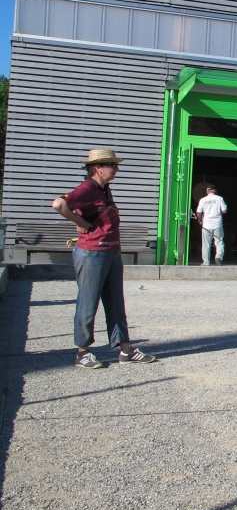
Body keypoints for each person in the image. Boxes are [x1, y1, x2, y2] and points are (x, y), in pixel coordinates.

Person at [51, 149, 155, 369]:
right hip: (92, 253)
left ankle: (125, 349)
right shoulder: (87, 188)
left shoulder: (105, 189)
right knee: (88, 302)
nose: (117, 169)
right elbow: (59, 204)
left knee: (116, 301)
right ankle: (82, 352)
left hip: (111, 252)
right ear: (98, 168)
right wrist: (79, 221)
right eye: (113, 165)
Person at [196, 185, 228, 266]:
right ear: (215, 191)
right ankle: (219, 257)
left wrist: (200, 220)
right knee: (219, 242)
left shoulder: (203, 200)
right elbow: (224, 211)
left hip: (206, 224)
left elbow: (199, 212)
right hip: (217, 224)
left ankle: (206, 261)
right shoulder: (219, 198)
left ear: (207, 191)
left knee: (206, 244)